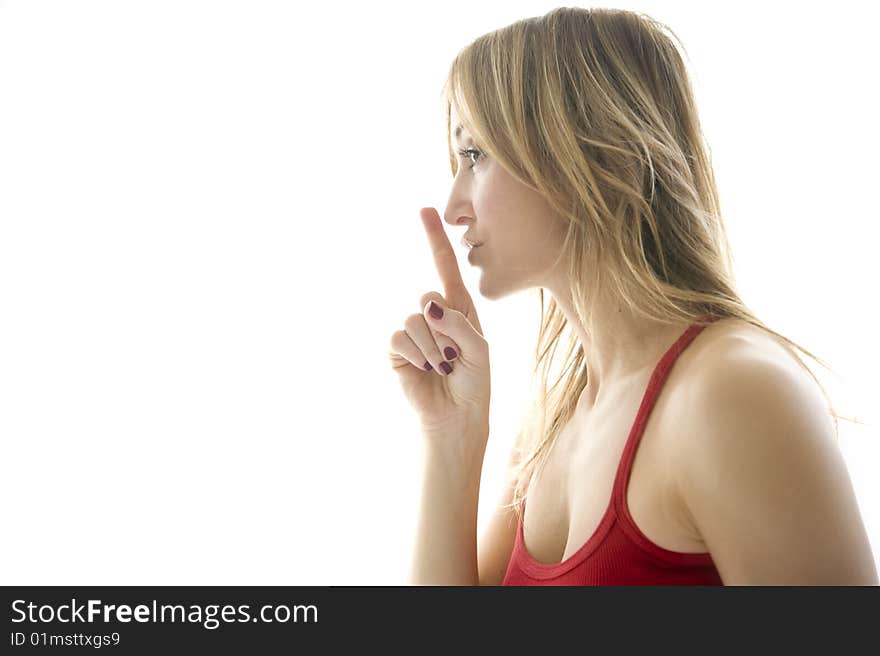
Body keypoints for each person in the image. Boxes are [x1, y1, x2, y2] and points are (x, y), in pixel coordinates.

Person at [388, 7, 878, 585]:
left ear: (584, 152)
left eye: (475, 155)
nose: (453, 207)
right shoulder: (553, 419)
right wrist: (452, 435)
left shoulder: (734, 392)